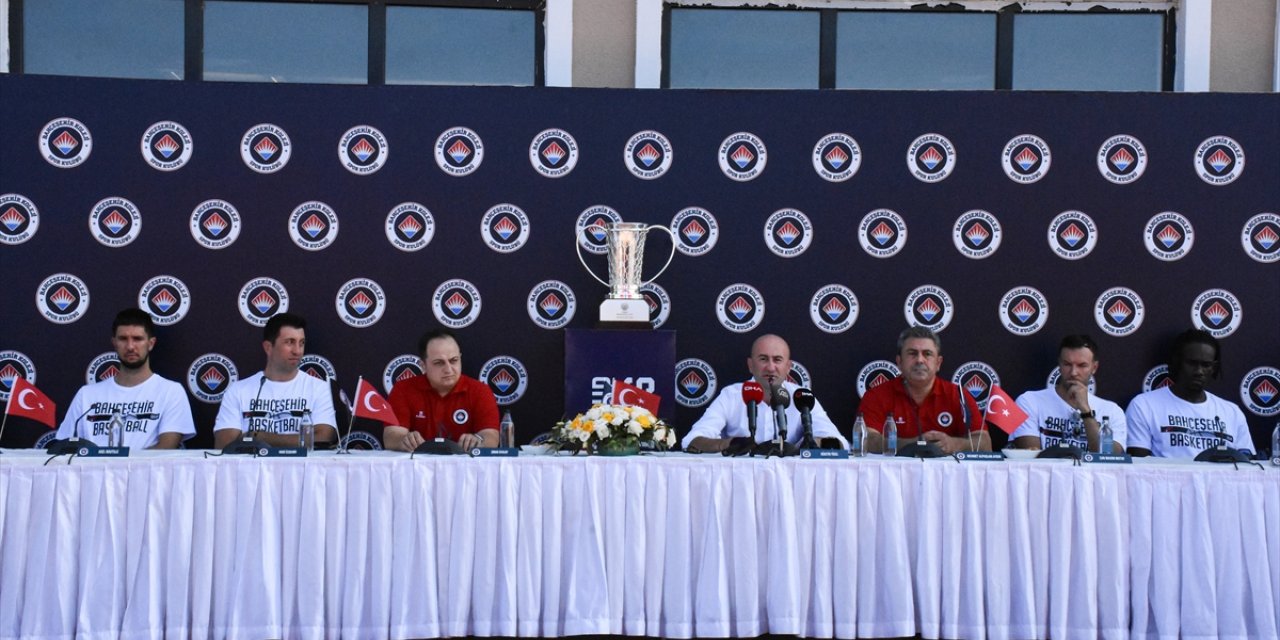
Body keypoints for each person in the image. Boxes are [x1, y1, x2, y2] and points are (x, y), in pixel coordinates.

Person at [682, 333, 848, 453]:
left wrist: (811, 443)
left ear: (788, 367)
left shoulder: (801, 396)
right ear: (750, 365)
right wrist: (729, 444)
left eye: (777, 360)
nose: (770, 367)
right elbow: (691, 441)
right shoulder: (731, 395)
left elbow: (840, 443)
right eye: (763, 359)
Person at [55, 308, 195, 448]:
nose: (130, 347)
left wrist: (119, 465)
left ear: (151, 343)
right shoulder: (86, 395)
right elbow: (66, 447)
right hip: (92, 470)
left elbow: (166, 448)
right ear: (115, 343)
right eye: (123, 339)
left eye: (137, 339)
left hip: (146, 470)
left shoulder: (171, 391)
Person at [857, 326, 989, 454]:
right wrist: (916, 444)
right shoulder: (877, 395)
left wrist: (954, 444)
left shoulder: (958, 395)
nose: (920, 360)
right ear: (899, 362)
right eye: (912, 353)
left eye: (927, 354)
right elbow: (866, 440)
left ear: (938, 363)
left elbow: (985, 443)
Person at [213, 313, 337, 448]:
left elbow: (323, 438)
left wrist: (260, 437)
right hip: (253, 469)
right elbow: (224, 445)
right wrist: (299, 440)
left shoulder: (319, 388)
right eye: (289, 342)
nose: (297, 351)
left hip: (302, 469)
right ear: (268, 347)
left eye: (301, 343)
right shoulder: (238, 390)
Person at [1125, 329, 1255, 458]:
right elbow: (1139, 468)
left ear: (1214, 368)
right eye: (1192, 363)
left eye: (1206, 365)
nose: (1199, 371)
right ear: (1177, 363)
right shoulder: (1144, 405)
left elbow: (1248, 467)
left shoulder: (1232, 412)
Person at [384, 328, 500, 452]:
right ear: (423, 365)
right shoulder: (403, 389)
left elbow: (492, 436)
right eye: (439, 363)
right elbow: (391, 436)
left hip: (465, 467)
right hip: (417, 467)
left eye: (454, 360)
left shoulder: (479, 391)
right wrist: (404, 440)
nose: (448, 369)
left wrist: (478, 440)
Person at [1011, 334, 1126, 453]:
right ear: (1059, 365)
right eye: (1067, 364)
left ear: (1094, 367)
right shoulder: (1029, 401)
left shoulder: (1112, 411)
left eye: (1082, 365)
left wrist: (1086, 412)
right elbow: (1030, 455)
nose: (1074, 372)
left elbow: (1111, 457)